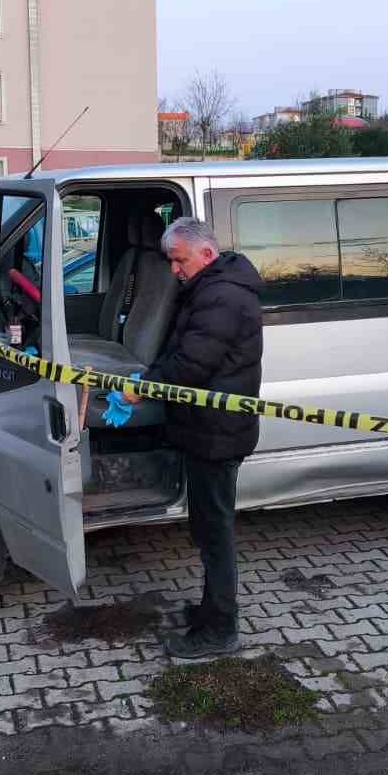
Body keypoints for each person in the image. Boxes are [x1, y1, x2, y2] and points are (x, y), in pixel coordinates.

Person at [123, 217, 263, 659]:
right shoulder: (209, 287)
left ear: (206, 253)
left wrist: (143, 386)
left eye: (179, 260)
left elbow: (191, 365)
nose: (174, 269)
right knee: (207, 530)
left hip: (218, 434)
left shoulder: (223, 296)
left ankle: (220, 630)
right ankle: (209, 611)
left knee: (215, 534)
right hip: (208, 429)